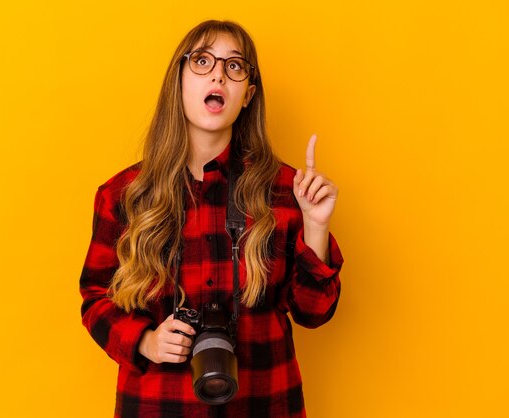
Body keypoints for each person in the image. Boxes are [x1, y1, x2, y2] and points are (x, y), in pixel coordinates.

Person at [79, 20, 343, 418]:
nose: (218, 73)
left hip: (263, 401)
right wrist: (146, 341)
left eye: (234, 66)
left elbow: (313, 312)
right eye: (202, 61)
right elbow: (94, 298)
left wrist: (316, 225)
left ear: (247, 94)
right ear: (179, 80)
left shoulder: (288, 190)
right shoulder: (124, 195)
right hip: (158, 405)